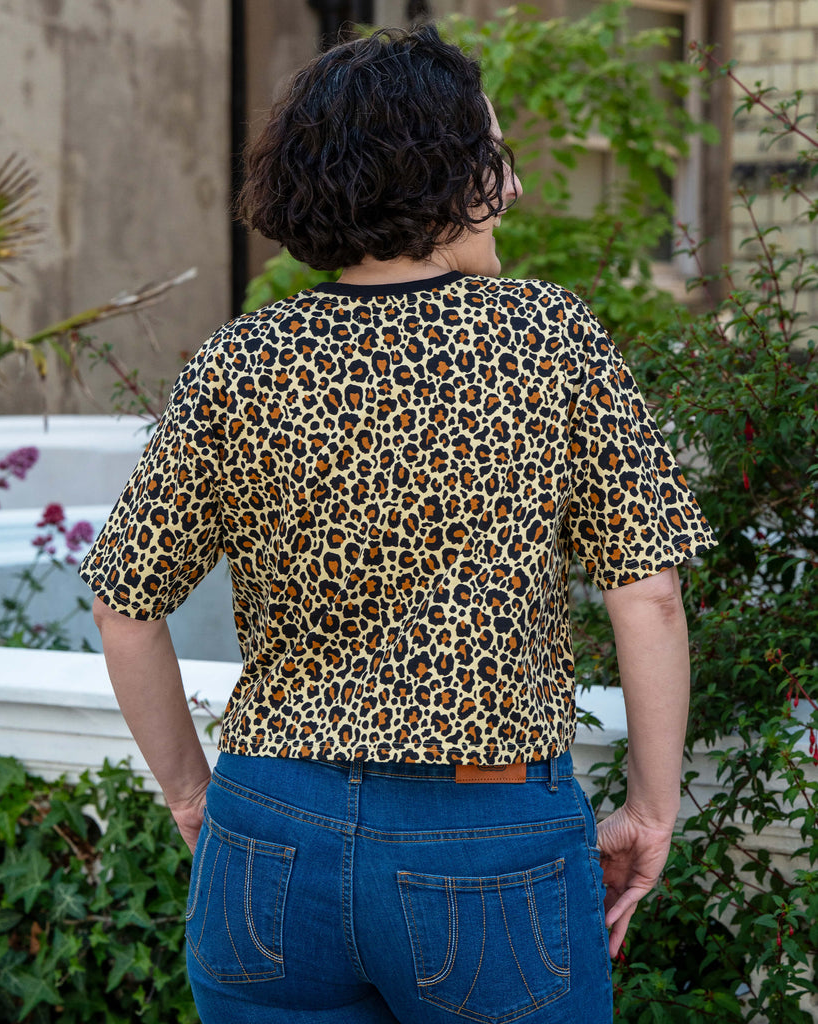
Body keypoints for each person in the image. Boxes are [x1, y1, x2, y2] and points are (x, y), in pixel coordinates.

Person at [81, 24, 716, 1024]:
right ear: (441, 174)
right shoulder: (550, 339)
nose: (512, 190)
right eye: (494, 160)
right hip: (487, 839)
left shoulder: (239, 363)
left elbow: (124, 605)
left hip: (267, 834)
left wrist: (194, 798)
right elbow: (650, 590)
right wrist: (651, 807)